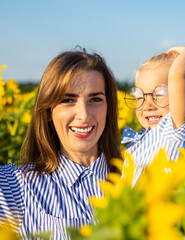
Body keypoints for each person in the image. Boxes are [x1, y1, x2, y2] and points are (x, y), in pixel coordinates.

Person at [0, 48, 120, 239]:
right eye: (67, 100)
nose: (84, 115)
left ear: (109, 107)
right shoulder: (12, 186)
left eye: (95, 99)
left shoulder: (137, 176)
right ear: (48, 111)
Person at [122, 46, 185, 240]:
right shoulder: (139, 142)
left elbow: (180, 76)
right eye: (140, 96)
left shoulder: (175, 131)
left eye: (159, 93)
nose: (148, 103)